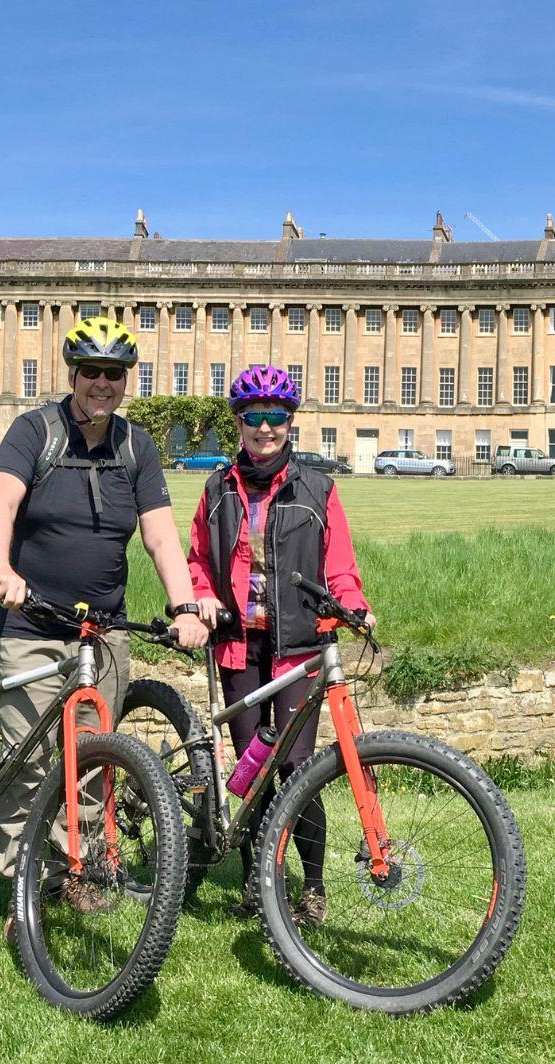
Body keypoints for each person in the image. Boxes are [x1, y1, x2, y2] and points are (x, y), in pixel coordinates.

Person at [0, 315, 208, 937]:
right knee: (27, 760)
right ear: (72, 375)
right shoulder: (36, 432)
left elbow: (161, 536)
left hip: (102, 630)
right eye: (92, 372)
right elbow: (0, 501)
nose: (102, 384)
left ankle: (72, 871)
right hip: (33, 623)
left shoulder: (135, 447)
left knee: (87, 761)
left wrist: (184, 606)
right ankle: (22, 887)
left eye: (114, 374)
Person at [186, 364, 373, 927]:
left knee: (296, 770)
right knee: (252, 770)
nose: (265, 429)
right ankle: (253, 875)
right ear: (239, 423)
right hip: (239, 646)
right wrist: (202, 598)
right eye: (254, 418)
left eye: (276, 417)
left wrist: (353, 604)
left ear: (291, 422)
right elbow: (197, 559)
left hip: (297, 647)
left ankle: (311, 885)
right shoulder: (217, 489)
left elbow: (339, 567)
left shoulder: (319, 488)